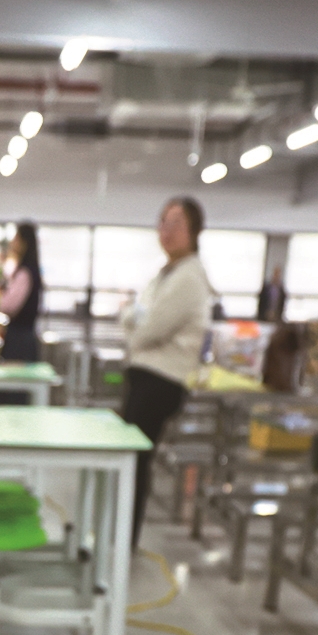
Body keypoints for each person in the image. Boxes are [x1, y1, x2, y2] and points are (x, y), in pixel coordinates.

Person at [118, 194, 212, 542]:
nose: (167, 230)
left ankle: (124, 541)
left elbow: (147, 328)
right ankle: (121, 535)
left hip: (162, 381)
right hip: (146, 375)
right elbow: (135, 315)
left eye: (176, 223)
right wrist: (135, 323)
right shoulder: (165, 274)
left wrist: (134, 327)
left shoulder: (188, 278)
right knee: (131, 458)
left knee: (135, 459)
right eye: (163, 222)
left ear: (194, 230)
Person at [0, 219, 43, 405]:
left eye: (16, 238)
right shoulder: (28, 271)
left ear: (24, 242)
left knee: (13, 394)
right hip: (22, 338)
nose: (13, 243)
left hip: (19, 341)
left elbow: (9, 306)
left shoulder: (25, 273)